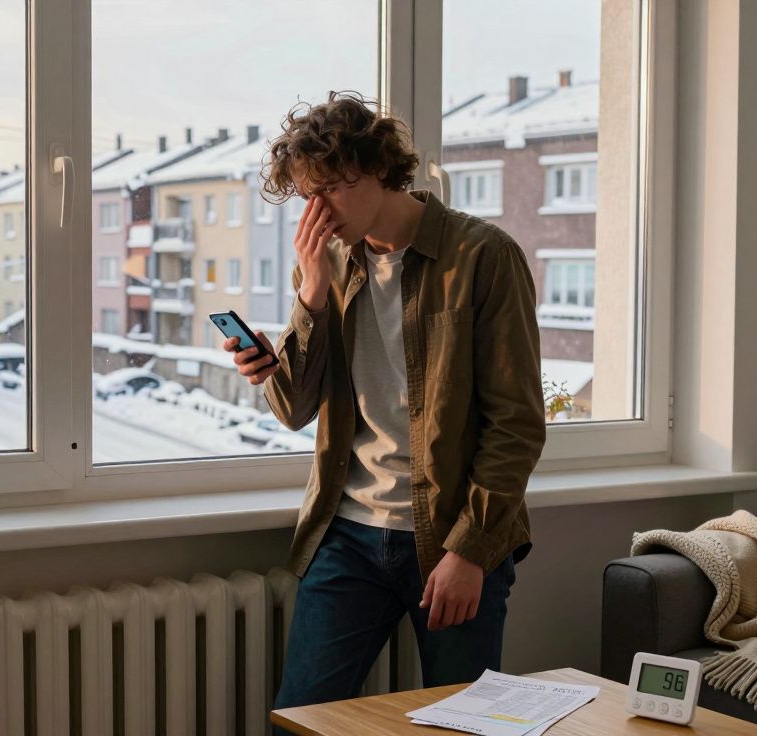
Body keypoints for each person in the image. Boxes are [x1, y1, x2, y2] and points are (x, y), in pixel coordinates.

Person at [221, 91, 547, 727]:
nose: (315, 212)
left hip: (455, 534)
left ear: (375, 167)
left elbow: (517, 423)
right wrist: (311, 297)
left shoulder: (483, 256)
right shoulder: (328, 263)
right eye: (304, 196)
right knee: (300, 720)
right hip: (348, 534)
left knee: (465, 724)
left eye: (328, 191)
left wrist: (471, 551)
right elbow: (292, 409)